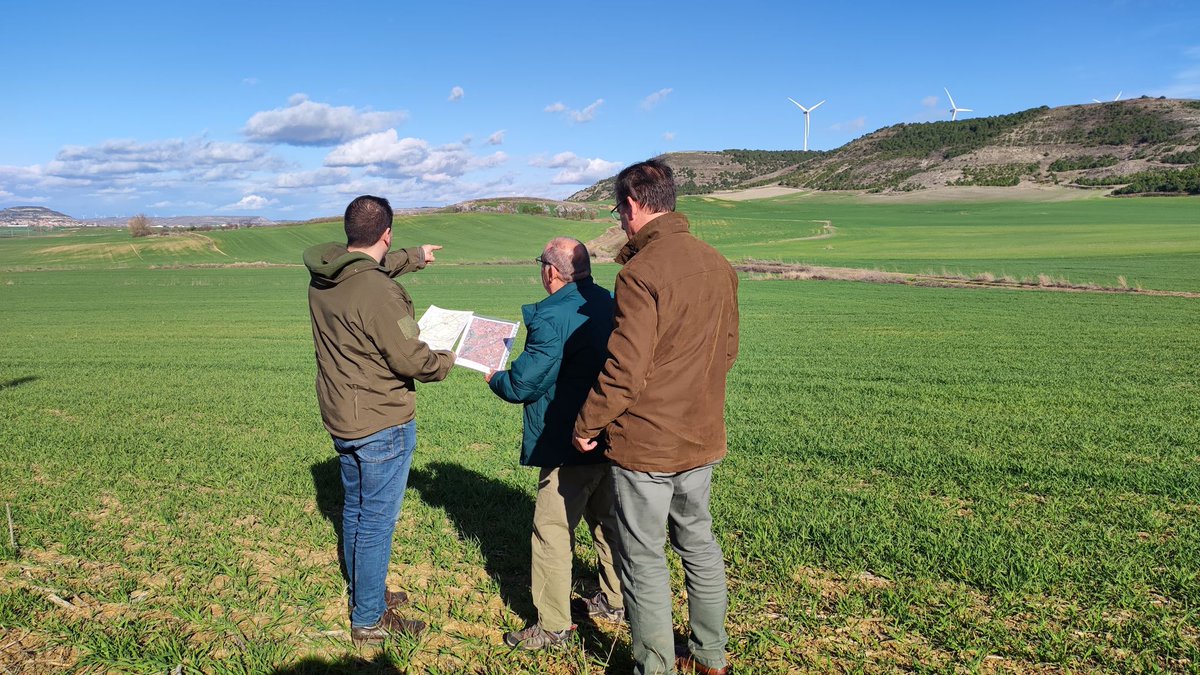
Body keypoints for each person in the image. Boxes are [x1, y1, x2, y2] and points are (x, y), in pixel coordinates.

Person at [573, 159, 739, 675]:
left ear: (633, 206)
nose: (622, 223)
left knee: (643, 559)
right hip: (702, 434)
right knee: (700, 544)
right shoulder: (718, 263)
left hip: (647, 445)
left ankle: (655, 666)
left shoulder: (640, 273)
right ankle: (711, 657)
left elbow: (624, 370)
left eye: (621, 212)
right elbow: (728, 349)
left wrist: (586, 424)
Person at [303, 195, 456, 646]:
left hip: (341, 414)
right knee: (375, 523)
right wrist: (449, 358)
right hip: (380, 421)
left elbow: (369, 269)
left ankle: (365, 591)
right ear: (386, 233)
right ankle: (368, 620)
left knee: (354, 510)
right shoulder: (379, 293)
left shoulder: (326, 275)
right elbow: (412, 359)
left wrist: (416, 258)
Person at [485, 237, 626, 650]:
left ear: (550, 271)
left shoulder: (550, 315)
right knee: (607, 521)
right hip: (610, 434)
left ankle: (553, 627)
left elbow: (525, 383)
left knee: (551, 531)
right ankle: (615, 601)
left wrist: (496, 376)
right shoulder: (610, 301)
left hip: (569, 440)